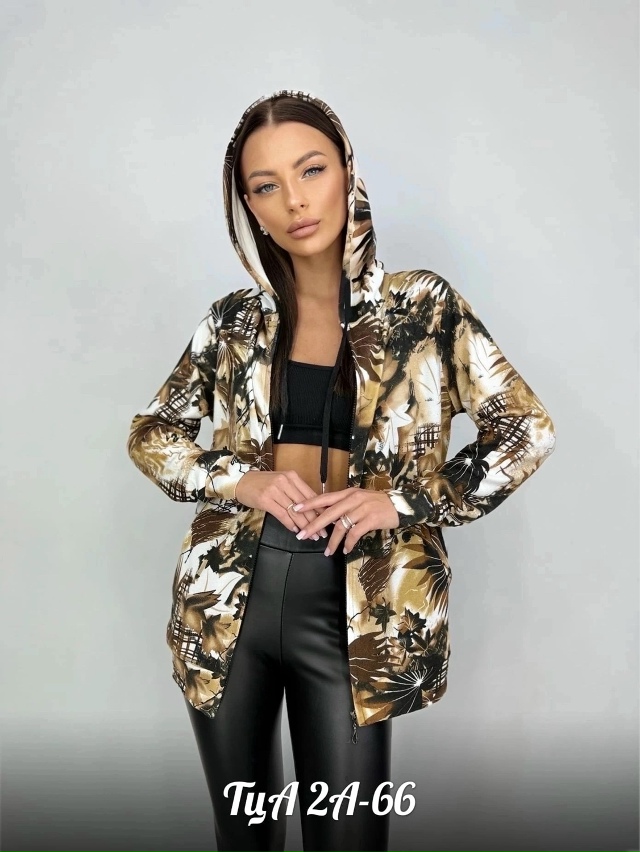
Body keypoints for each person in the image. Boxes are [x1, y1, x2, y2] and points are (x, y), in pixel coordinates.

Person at [126, 89, 556, 852]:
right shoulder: (232, 321)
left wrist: (404, 503)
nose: (294, 200)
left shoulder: (422, 307)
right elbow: (153, 435)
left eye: (311, 170)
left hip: (355, 609)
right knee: (243, 836)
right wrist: (242, 481)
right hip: (227, 603)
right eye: (265, 186)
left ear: (348, 172)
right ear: (250, 207)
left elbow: (524, 430)